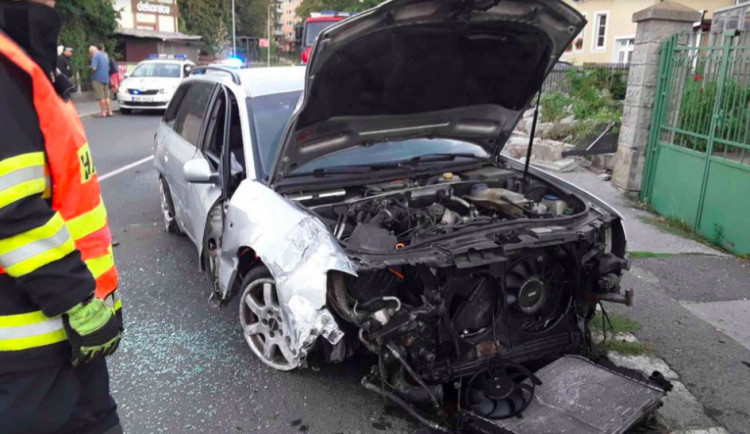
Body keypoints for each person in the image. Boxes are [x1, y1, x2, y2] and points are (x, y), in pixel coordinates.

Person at [0, 1, 124, 433]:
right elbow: (11, 209)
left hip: (59, 340)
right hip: (31, 348)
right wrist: (79, 301)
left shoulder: (24, 58)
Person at [89, 44, 112, 117]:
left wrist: (90, 67)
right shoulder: (105, 56)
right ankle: (110, 111)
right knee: (106, 96)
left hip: (97, 79)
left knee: (101, 97)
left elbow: (94, 68)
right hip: (106, 78)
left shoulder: (95, 56)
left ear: (92, 52)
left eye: (90, 53)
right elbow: (108, 68)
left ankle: (103, 112)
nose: (90, 55)